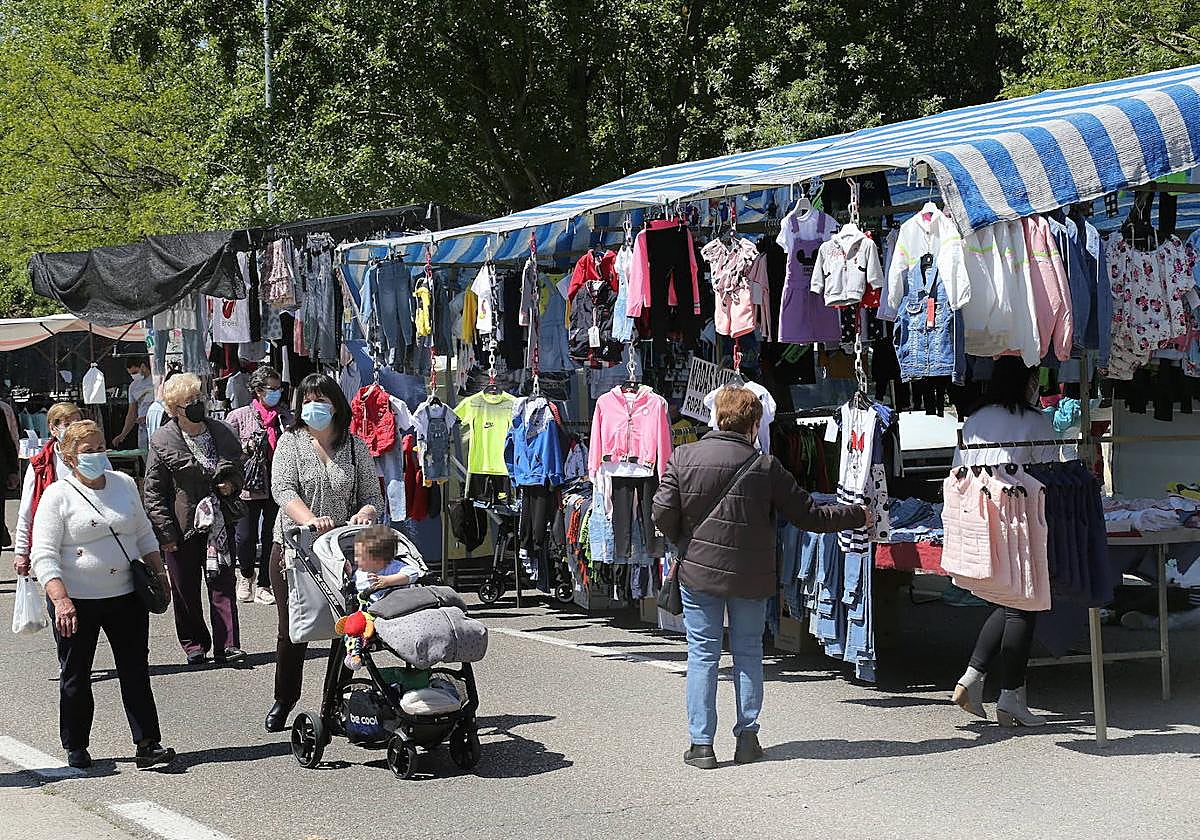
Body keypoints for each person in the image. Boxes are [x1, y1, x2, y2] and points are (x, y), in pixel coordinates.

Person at [652, 387, 869, 769]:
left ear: (717, 419)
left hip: (699, 573)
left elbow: (662, 512)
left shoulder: (683, 457)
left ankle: (702, 746)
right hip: (751, 577)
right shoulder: (766, 466)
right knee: (748, 652)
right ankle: (747, 740)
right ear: (755, 425)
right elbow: (809, 516)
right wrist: (857, 514)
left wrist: (685, 541)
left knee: (702, 655)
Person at [30, 420, 175, 770]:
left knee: (135, 669)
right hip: (76, 601)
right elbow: (43, 554)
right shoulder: (57, 495)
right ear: (70, 457)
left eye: (100, 448)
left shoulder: (123, 484)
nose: (96, 455)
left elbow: (143, 534)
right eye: (87, 451)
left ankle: (147, 743)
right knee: (76, 673)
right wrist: (60, 599)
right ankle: (76, 745)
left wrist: (160, 573)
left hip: (126, 595)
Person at [266, 372, 383, 732]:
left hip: (341, 551)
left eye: (320, 400)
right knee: (294, 628)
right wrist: (310, 520)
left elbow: (372, 496)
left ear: (335, 406)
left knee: (348, 627)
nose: (312, 407)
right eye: (306, 400)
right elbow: (283, 490)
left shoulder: (355, 446)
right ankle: (285, 698)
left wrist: (366, 512)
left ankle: (335, 702)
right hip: (295, 548)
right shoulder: (291, 442)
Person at [951, 357, 1057, 728]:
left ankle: (974, 679)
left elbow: (958, 469)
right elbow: (1049, 470)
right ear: (1027, 381)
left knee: (1008, 600)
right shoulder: (1033, 421)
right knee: (1024, 602)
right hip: (1019, 516)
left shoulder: (975, 420)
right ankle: (1010, 695)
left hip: (980, 518)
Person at [143, 373, 247, 666]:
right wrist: (165, 533)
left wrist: (231, 484)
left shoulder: (222, 432)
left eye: (198, 398)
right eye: (188, 401)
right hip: (182, 525)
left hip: (219, 523)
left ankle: (228, 645)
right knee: (184, 590)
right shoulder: (163, 440)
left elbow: (238, 467)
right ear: (174, 408)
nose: (196, 404)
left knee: (223, 583)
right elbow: (153, 491)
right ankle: (194, 644)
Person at [224, 366, 292, 606]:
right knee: (245, 537)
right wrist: (244, 451)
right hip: (247, 487)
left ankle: (264, 583)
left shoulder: (286, 418)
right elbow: (225, 451)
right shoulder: (238, 416)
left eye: (279, 388)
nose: (276, 393)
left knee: (272, 536)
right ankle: (246, 575)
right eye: (271, 389)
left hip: (278, 485)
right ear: (258, 390)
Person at [13, 402, 83, 576]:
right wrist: (21, 552)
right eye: (67, 424)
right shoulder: (40, 465)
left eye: (78, 423)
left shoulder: (95, 457)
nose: (73, 429)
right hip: (56, 545)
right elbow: (26, 511)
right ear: (53, 429)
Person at [353, 525, 422, 604]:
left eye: (361, 557)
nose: (356, 559)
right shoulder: (359, 573)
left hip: (400, 603)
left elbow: (413, 573)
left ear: (378, 561)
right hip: (371, 606)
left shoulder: (392, 567)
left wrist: (388, 580)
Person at [115, 356, 155, 451]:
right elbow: (132, 413)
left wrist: (148, 417)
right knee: (144, 454)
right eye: (130, 374)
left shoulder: (156, 381)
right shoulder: (133, 386)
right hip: (143, 428)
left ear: (143, 366)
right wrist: (123, 434)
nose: (133, 376)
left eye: (134, 372)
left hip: (157, 425)